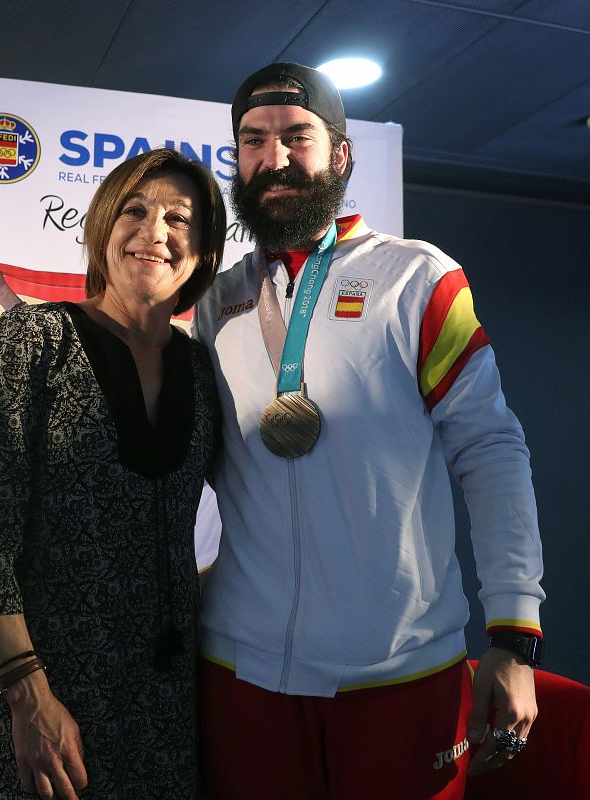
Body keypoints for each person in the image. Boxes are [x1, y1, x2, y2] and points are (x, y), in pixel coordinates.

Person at [191, 63, 545, 799]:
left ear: (340, 154)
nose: (275, 158)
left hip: (399, 673)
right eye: (253, 141)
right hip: (241, 671)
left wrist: (513, 633)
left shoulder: (417, 278)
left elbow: (489, 450)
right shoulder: (217, 299)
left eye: (297, 137)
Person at [0, 147, 226, 800]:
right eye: (134, 209)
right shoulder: (34, 338)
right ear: (101, 226)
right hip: (46, 707)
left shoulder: (203, 372)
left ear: (204, 250)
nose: (154, 231)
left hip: (166, 709)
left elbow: (260, 507)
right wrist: (28, 697)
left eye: (178, 218)